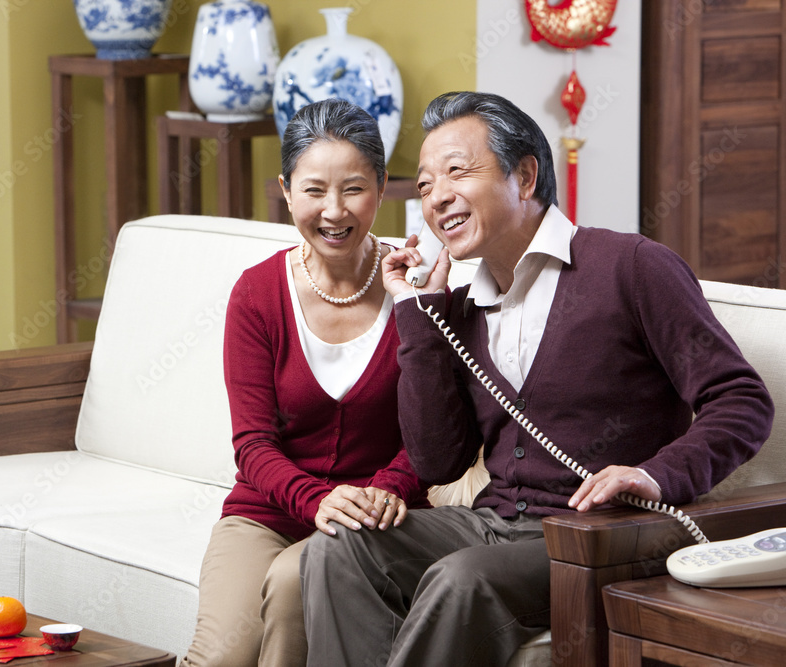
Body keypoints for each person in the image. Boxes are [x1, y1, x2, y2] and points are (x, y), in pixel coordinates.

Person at [300, 91, 775, 666]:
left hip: (606, 535)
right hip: (495, 525)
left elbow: (743, 400)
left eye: (457, 172)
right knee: (337, 551)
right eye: (424, 186)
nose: (437, 197)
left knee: (462, 579)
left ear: (524, 177)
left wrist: (656, 474)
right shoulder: (460, 309)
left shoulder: (631, 266)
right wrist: (416, 312)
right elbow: (437, 464)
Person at [181, 98, 430, 667]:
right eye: (314, 190)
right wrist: (316, 500)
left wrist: (386, 489)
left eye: (354, 188)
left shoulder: (414, 287)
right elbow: (252, 444)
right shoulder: (256, 294)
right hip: (266, 510)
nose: (334, 211)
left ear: (383, 186)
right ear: (287, 191)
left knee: (296, 584)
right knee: (219, 658)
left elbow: (438, 428)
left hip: (374, 518)